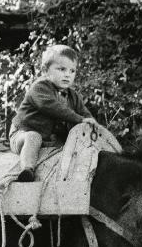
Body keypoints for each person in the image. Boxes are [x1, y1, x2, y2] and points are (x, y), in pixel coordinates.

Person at [9, 44, 101, 181]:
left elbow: (84, 112)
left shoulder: (73, 95)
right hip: (23, 133)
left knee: (69, 148)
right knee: (33, 137)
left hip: (49, 139)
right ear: (46, 70)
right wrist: (79, 119)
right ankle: (27, 170)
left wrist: (90, 122)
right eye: (61, 69)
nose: (67, 75)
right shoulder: (40, 87)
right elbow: (52, 107)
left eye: (72, 71)